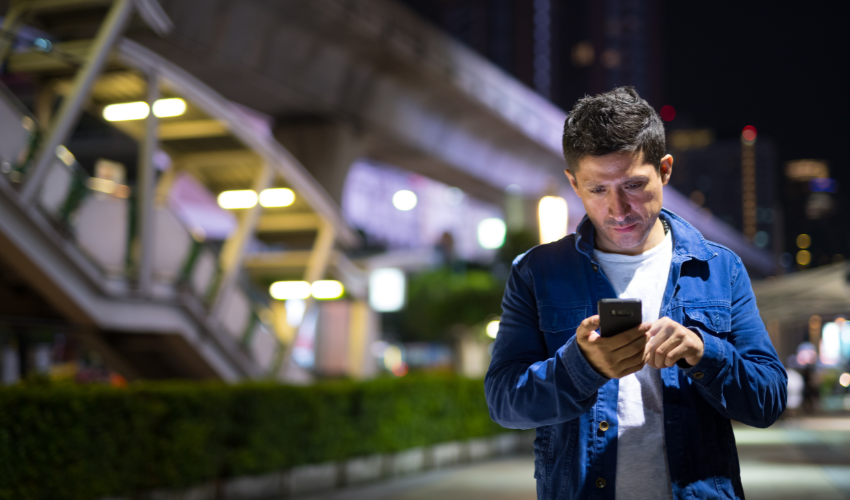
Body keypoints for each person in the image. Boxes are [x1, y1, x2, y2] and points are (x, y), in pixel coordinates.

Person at [484, 87, 787, 500]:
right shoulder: (537, 273)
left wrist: (703, 351)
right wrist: (581, 366)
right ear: (574, 183)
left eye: (633, 184)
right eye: (598, 190)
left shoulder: (719, 268)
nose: (618, 209)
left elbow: (768, 400)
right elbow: (503, 402)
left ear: (664, 169)